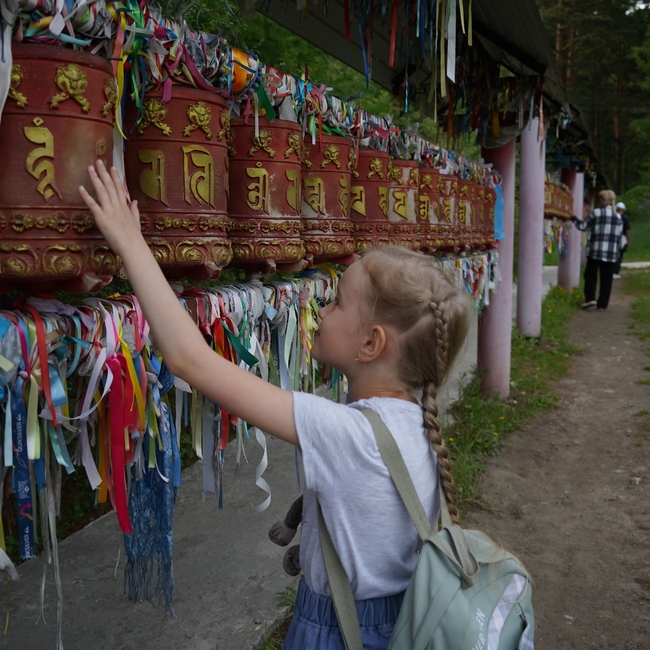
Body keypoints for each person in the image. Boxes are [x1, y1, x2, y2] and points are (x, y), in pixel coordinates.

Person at [78, 160, 472, 649]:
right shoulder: (414, 420)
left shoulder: (345, 432)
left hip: (337, 631)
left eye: (337, 302)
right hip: (396, 619)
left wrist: (130, 243)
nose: (321, 308)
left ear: (371, 344)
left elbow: (189, 360)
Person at [571, 189, 623, 311]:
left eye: (599, 198)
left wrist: (574, 219)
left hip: (595, 251)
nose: (598, 201)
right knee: (606, 279)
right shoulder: (618, 217)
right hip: (610, 253)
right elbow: (619, 237)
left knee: (590, 275)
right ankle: (602, 304)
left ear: (603, 200)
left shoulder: (596, 213)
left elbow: (584, 226)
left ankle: (590, 299)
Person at [613, 201, 631, 279]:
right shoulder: (624, 218)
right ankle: (615, 272)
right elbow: (627, 230)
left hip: (612, 238)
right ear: (622, 210)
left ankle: (611, 271)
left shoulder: (613, 217)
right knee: (619, 256)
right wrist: (628, 240)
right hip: (622, 238)